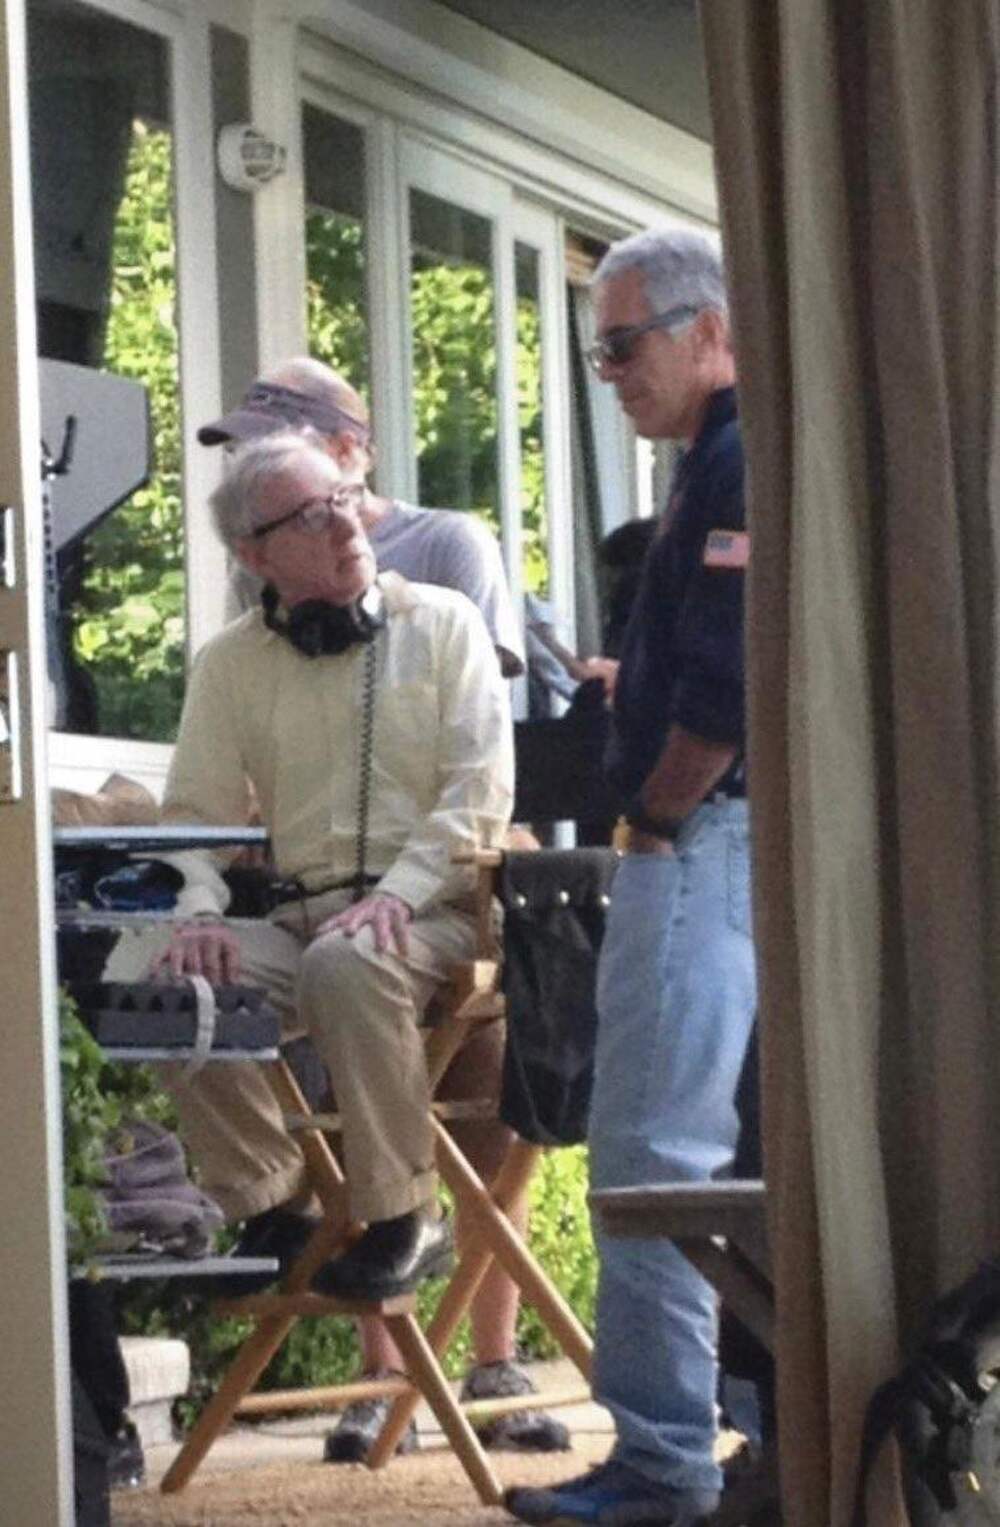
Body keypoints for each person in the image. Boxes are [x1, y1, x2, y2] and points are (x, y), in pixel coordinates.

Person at [196, 362, 566, 1459]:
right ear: (255, 555)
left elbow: (480, 791)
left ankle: (404, 1217)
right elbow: (191, 819)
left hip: (440, 913)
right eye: (309, 519)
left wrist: (393, 898)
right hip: (307, 924)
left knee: (349, 965)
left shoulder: (443, 617)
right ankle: (278, 1208)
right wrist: (199, 905)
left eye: (346, 503)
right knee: (159, 979)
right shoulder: (230, 665)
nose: (345, 527)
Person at [505, 227, 756, 1525]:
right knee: (727, 1148)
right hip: (736, 839)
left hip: (700, 841)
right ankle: (758, 1433)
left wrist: (655, 815)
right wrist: (633, 686)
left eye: (619, 345)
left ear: (708, 329)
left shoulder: (734, 462)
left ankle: (661, 1461)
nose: (604, 373)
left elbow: (729, 684)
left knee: (652, 1155)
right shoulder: (726, 461)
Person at [198, 356, 525, 678]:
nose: (253, 467)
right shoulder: (257, 568)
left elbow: (483, 688)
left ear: (345, 449)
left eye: (274, 451)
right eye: (240, 451)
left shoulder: (449, 542)